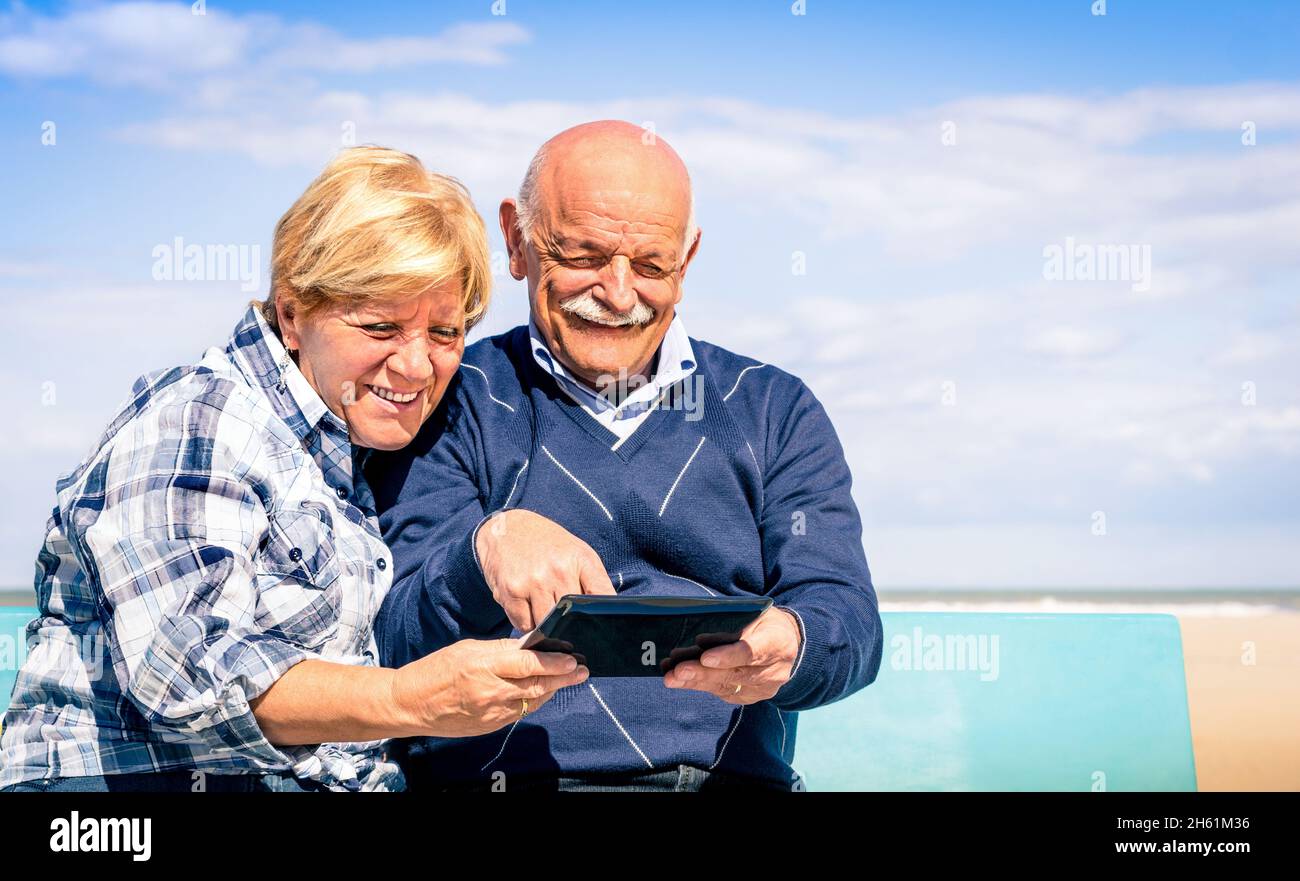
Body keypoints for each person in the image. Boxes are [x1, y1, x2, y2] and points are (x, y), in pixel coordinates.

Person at [0, 146, 588, 793]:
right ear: (292, 311)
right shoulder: (201, 416)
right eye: (380, 325)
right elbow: (187, 673)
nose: (418, 365)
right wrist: (410, 698)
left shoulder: (344, 451)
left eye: (445, 333)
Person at [369, 121, 883, 792]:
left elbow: (849, 619)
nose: (616, 293)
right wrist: (482, 554)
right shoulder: (446, 399)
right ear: (516, 241)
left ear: (688, 259)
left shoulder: (773, 409)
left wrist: (795, 640)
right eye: (582, 255)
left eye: (649, 265)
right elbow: (389, 643)